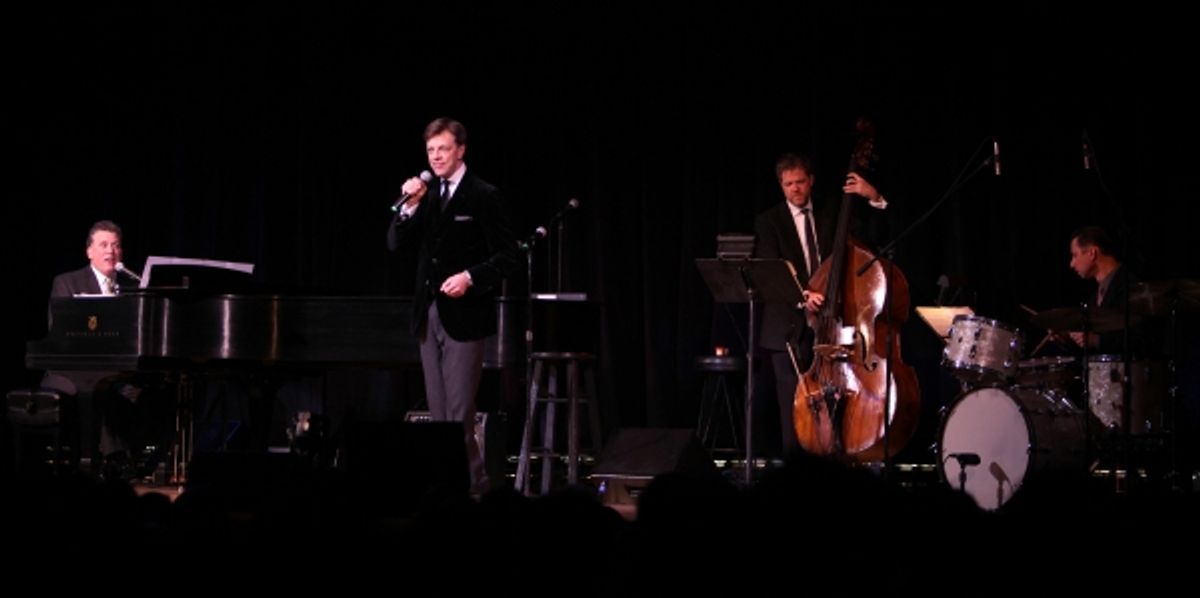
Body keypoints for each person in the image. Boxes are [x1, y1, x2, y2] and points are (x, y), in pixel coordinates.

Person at [387, 117, 521, 494]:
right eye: (430, 150)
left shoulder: (483, 195)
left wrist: (470, 277)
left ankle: (472, 487)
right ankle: (447, 485)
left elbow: (510, 256)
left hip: (465, 316)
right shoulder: (426, 197)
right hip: (429, 314)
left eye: (443, 148)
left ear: (461, 150)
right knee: (440, 415)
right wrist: (409, 207)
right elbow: (395, 242)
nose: (436, 156)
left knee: (460, 413)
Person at [753, 152, 889, 457]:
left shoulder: (832, 213)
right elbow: (771, 269)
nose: (795, 189)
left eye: (800, 182)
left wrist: (874, 197)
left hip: (834, 325)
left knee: (837, 404)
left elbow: (873, 238)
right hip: (787, 328)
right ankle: (795, 474)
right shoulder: (769, 221)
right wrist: (802, 294)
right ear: (781, 185)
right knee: (794, 411)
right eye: (788, 184)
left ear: (811, 181)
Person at [45, 220, 172, 480]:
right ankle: (114, 459)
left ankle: (152, 461)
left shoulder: (134, 288)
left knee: (159, 389)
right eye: (103, 245)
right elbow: (59, 332)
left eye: (116, 246)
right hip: (70, 369)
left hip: (119, 370)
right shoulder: (67, 282)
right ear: (89, 251)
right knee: (101, 385)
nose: (110, 251)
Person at [1067, 225, 1140, 355]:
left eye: (1075, 255)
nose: (1071, 264)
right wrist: (1067, 338)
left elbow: (1140, 338)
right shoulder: (1095, 296)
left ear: (1092, 253)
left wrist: (1096, 340)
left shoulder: (1129, 286)